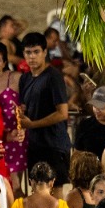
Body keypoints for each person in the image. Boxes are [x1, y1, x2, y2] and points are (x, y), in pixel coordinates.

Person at [18, 33, 72, 184]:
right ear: (23, 54)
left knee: (55, 189)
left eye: (36, 52)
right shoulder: (25, 78)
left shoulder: (53, 77)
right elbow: (26, 107)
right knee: (36, 188)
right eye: (28, 52)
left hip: (54, 144)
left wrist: (32, 124)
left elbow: (62, 113)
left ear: (44, 52)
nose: (32, 57)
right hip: (34, 144)